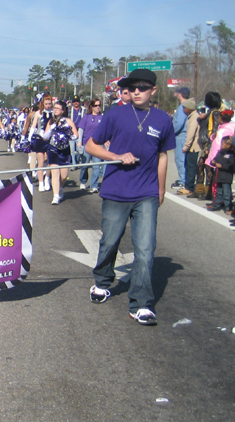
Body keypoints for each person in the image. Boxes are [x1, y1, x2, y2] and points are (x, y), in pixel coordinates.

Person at [85, 69, 175, 326]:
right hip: (116, 191)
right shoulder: (115, 114)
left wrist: (161, 189)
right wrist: (115, 156)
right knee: (110, 241)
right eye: (133, 87)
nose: (137, 91)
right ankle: (102, 282)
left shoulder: (163, 120)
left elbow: (162, 156)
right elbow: (91, 145)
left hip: (146, 192)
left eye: (143, 87)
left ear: (153, 91)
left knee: (146, 249)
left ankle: (141, 303)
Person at [44, 100, 79, 205]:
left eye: (58, 108)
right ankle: (55, 196)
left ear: (63, 110)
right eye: (54, 108)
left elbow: (75, 135)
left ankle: (60, 188)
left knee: (64, 176)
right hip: (53, 149)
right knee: (55, 172)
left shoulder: (68, 121)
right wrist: (51, 129)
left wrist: (69, 135)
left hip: (64, 150)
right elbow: (45, 137)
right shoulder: (51, 121)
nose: (55, 110)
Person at [23, 94, 53, 191]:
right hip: (40, 138)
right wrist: (29, 138)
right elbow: (33, 126)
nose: (48, 105)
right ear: (42, 104)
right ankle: (41, 182)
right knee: (40, 161)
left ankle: (47, 179)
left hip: (50, 139)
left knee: (48, 160)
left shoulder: (53, 113)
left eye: (49, 103)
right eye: (46, 104)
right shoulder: (38, 113)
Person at [77, 99, 104, 193]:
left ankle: (94, 186)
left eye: (99, 105)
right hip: (86, 144)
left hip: (98, 145)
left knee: (96, 166)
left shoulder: (102, 117)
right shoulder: (86, 117)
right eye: (96, 105)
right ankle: (83, 181)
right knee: (85, 165)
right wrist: (79, 141)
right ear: (92, 106)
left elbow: (105, 130)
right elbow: (81, 129)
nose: (98, 107)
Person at [177, 99, 200, 197]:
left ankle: (189, 187)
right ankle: (187, 185)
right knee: (188, 166)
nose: (183, 109)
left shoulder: (194, 118)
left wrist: (185, 146)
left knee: (191, 167)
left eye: (184, 107)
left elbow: (191, 134)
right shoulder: (191, 116)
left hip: (193, 147)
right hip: (191, 146)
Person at [171, 86, 190, 190]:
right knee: (183, 160)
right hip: (185, 135)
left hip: (181, 136)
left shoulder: (183, 107)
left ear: (180, 94)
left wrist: (171, 132)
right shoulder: (187, 106)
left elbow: (179, 123)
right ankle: (184, 179)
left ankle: (183, 181)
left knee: (180, 159)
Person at [209, 137, 234, 213]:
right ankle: (216, 205)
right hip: (219, 177)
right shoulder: (220, 152)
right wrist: (213, 162)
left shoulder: (231, 154)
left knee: (226, 193)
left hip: (226, 177)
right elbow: (214, 160)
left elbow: (230, 165)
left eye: (222, 144)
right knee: (218, 192)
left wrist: (222, 166)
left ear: (228, 145)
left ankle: (228, 207)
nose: (221, 145)